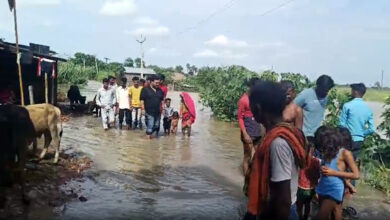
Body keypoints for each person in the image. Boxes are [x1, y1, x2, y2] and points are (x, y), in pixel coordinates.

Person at [245, 81, 306, 220]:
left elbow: (283, 201)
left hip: (278, 212)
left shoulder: (277, 143)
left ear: (258, 108)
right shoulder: (285, 133)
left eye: (251, 105)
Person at [315, 127, 360, 220]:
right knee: (336, 213)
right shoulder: (328, 151)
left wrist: (333, 173)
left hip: (333, 189)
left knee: (321, 216)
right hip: (323, 187)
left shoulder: (345, 153)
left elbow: (356, 175)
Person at [294, 75, 334, 144]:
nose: (325, 93)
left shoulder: (325, 97)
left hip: (317, 136)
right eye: (323, 90)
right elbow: (292, 108)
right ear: (318, 86)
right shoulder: (305, 94)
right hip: (304, 136)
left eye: (327, 91)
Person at [339, 83, 375, 160]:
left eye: (352, 90)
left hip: (347, 139)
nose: (351, 92)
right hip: (359, 140)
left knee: (342, 162)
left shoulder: (347, 105)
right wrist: (361, 133)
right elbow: (372, 129)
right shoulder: (368, 109)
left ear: (355, 92)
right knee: (352, 161)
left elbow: (341, 124)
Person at [237, 77, 263, 175]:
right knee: (247, 156)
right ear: (250, 87)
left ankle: (254, 176)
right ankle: (245, 180)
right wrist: (245, 134)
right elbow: (240, 118)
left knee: (259, 155)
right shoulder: (243, 100)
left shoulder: (258, 100)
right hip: (248, 130)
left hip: (257, 130)